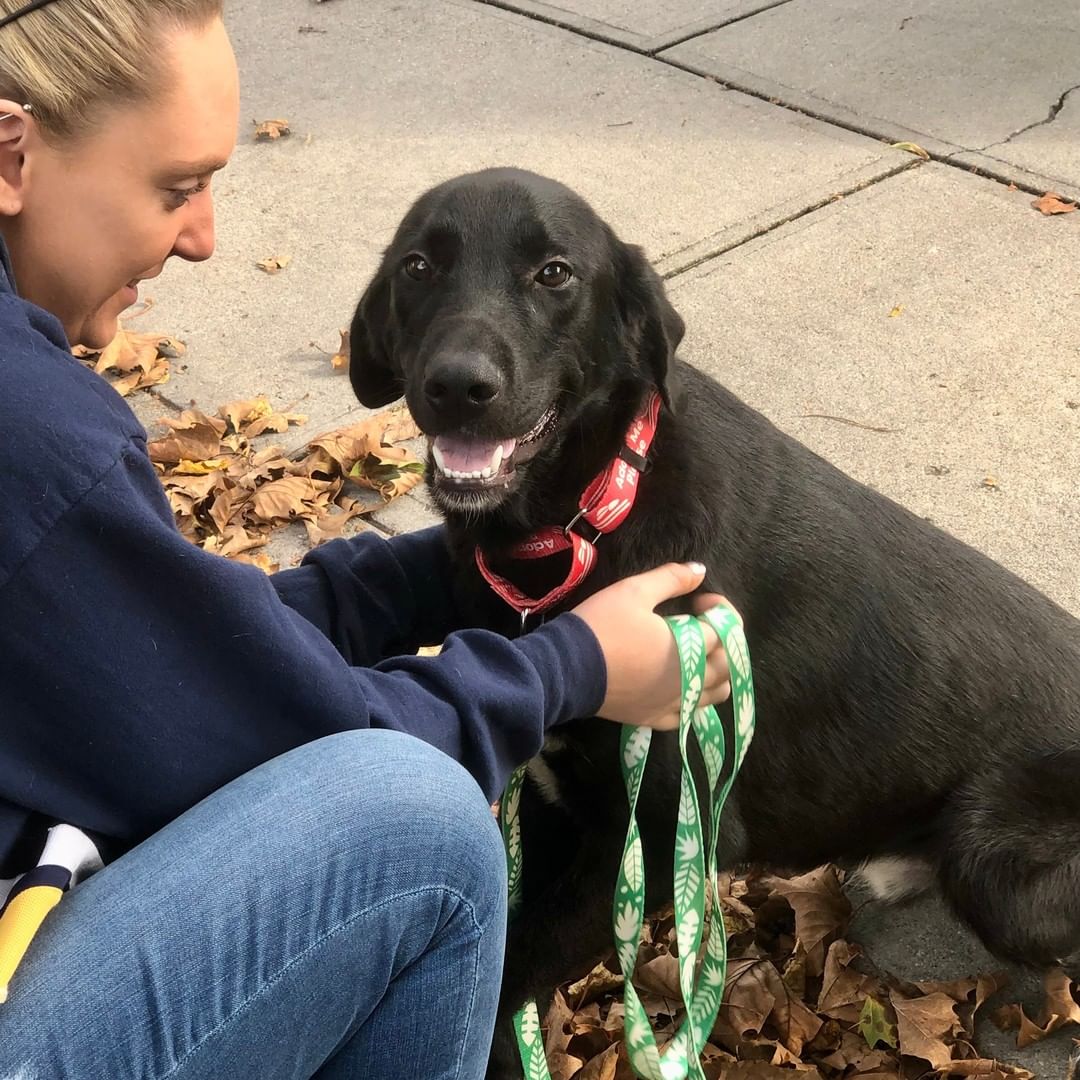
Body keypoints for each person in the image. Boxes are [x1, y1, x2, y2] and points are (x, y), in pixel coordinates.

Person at [0, 1, 733, 1076]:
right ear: (11, 154)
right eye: (174, 187)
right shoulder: (28, 426)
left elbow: (148, 659)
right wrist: (572, 669)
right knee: (418, 825)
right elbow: (269, 735)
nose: (203, 237)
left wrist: (414, 580)